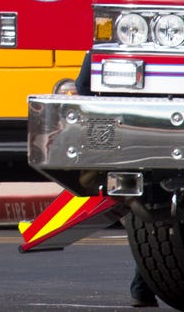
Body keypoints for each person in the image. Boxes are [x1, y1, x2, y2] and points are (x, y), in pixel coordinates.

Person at [74, 53, 157, 309]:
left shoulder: (109, 46)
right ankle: (142, 287)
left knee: (149, 217)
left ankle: (143, 289)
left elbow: (83, 86)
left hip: (128, 138)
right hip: (157, 137)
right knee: (157, 219)